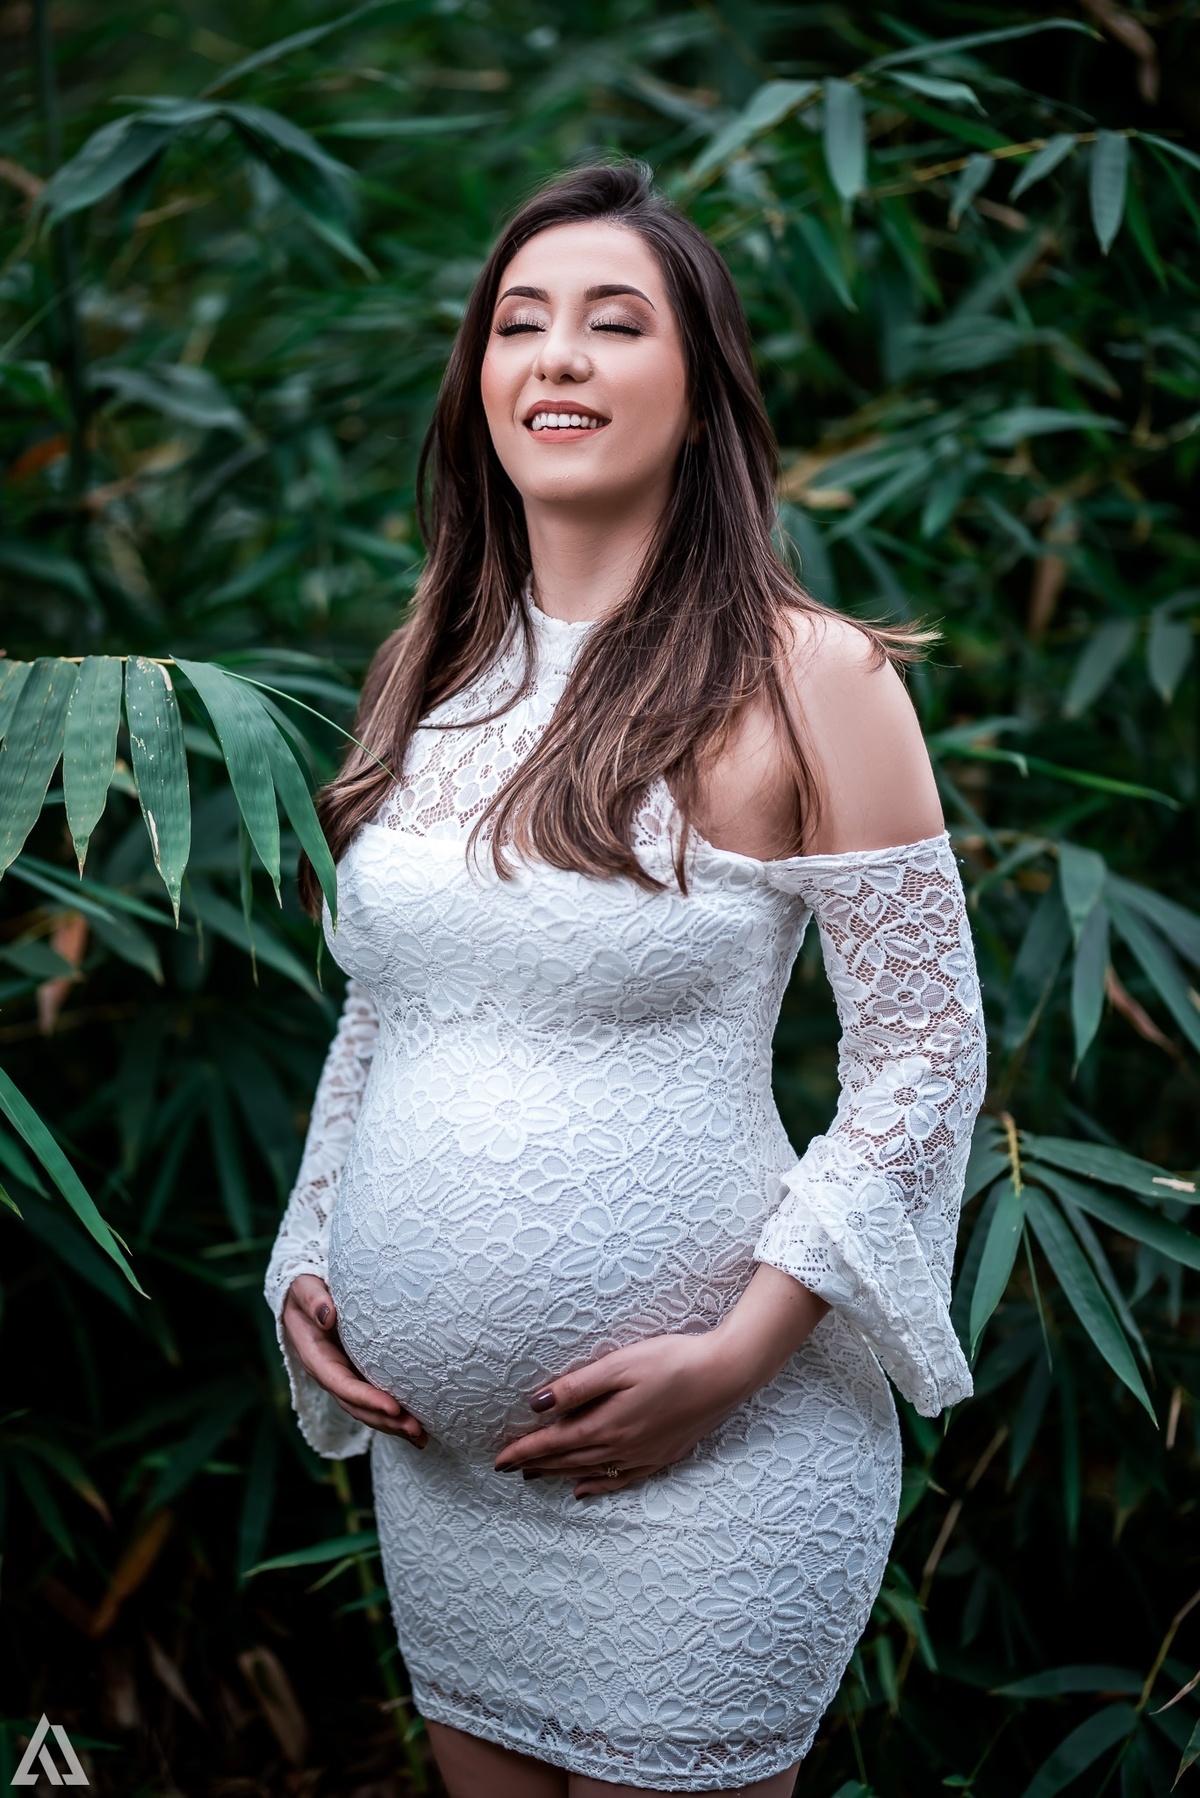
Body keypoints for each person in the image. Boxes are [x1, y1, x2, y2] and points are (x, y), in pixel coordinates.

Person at [263, 161, 986, 1798]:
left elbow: (926, 1049)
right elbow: (392, 1005)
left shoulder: (812, 675)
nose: (557, 358)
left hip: (715, 1461)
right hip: (444, 1475)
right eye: (519, 324)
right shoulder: (433, 664)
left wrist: (737, 1353)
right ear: (480, 387)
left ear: (701, 385)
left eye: (612, 323)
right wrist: (314, 1252)